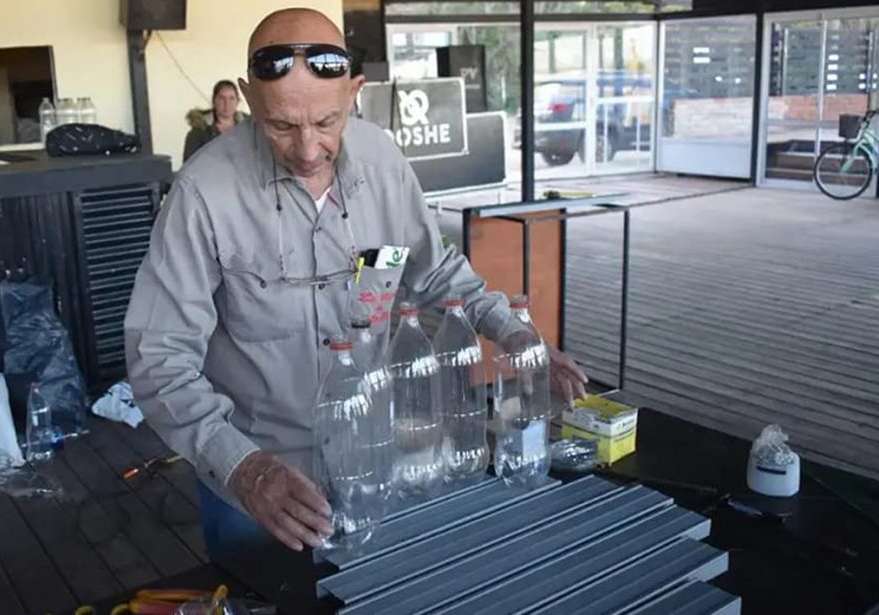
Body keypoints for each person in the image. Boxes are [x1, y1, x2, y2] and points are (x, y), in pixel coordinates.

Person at [124, 8, 588, 561]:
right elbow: (158, 355)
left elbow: (432, 271)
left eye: (326, 123)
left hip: (374, 459)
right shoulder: (203, 194)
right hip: (262, 486)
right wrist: (242, 467)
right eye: (280, 126)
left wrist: (514, 334)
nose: (306, 150)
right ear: (248, 98)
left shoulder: (383, 160)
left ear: (354, 91)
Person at [182, 80, 247, 161]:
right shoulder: (199, 131)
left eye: (231, 98)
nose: (227, 103)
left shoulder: (249, 127)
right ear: (214, 101)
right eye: (221, 98)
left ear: (238, 101)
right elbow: (189, 165)